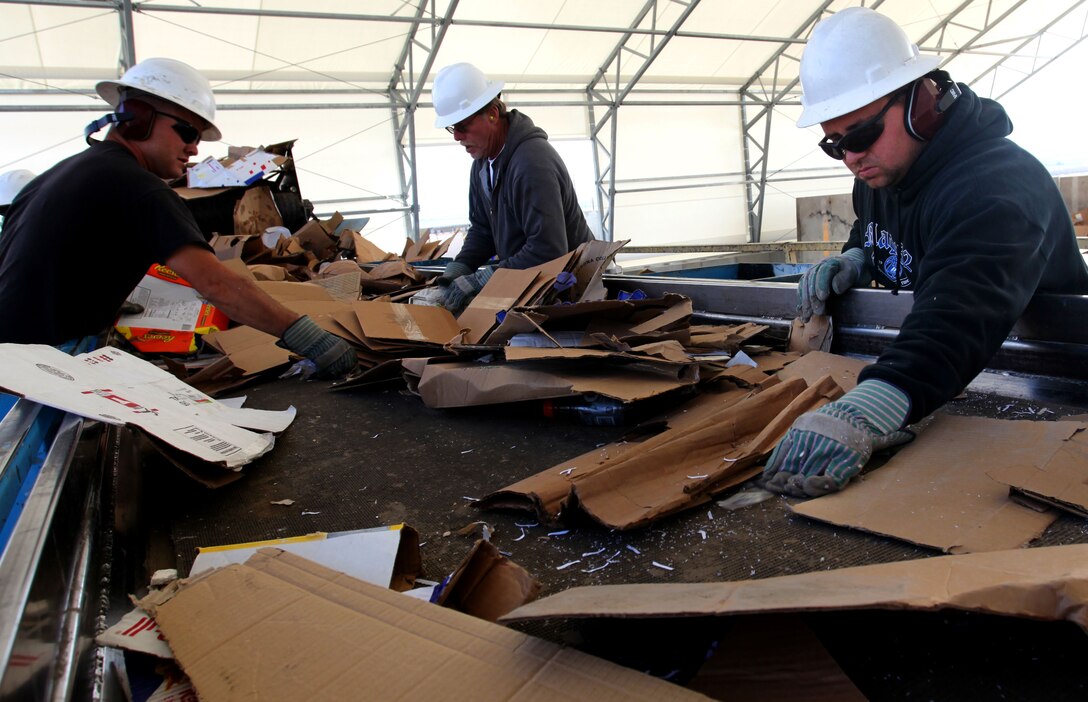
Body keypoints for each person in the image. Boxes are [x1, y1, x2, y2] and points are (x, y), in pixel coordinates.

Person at [762, 7, 1088, 498]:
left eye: (861, 135)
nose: (850, 157)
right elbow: (876, 235)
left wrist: (875, 402)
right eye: (833, 144)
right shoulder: (881, 177)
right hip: (958, 371)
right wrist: (855, 259)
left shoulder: (998, 185)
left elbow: (960, 312)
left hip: (1059, 385)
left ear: (922, 103)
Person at [0, 57, 356, 378]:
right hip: (39, 366)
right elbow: (218, 285)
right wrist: (309, 338)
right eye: (187, 132)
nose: (195, 148)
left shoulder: (61, 173)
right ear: (138, 118)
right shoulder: (139, 187)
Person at [431, 62, 594, 312]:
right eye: (452, 128)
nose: (457, 137)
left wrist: (485, 279)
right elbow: (483, 230)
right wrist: (456, 271)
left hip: (573, 291)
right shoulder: (483, 163)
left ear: (493, 114)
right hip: (532, 288)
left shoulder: (532, 162)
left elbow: (548, 251)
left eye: (462, 126)